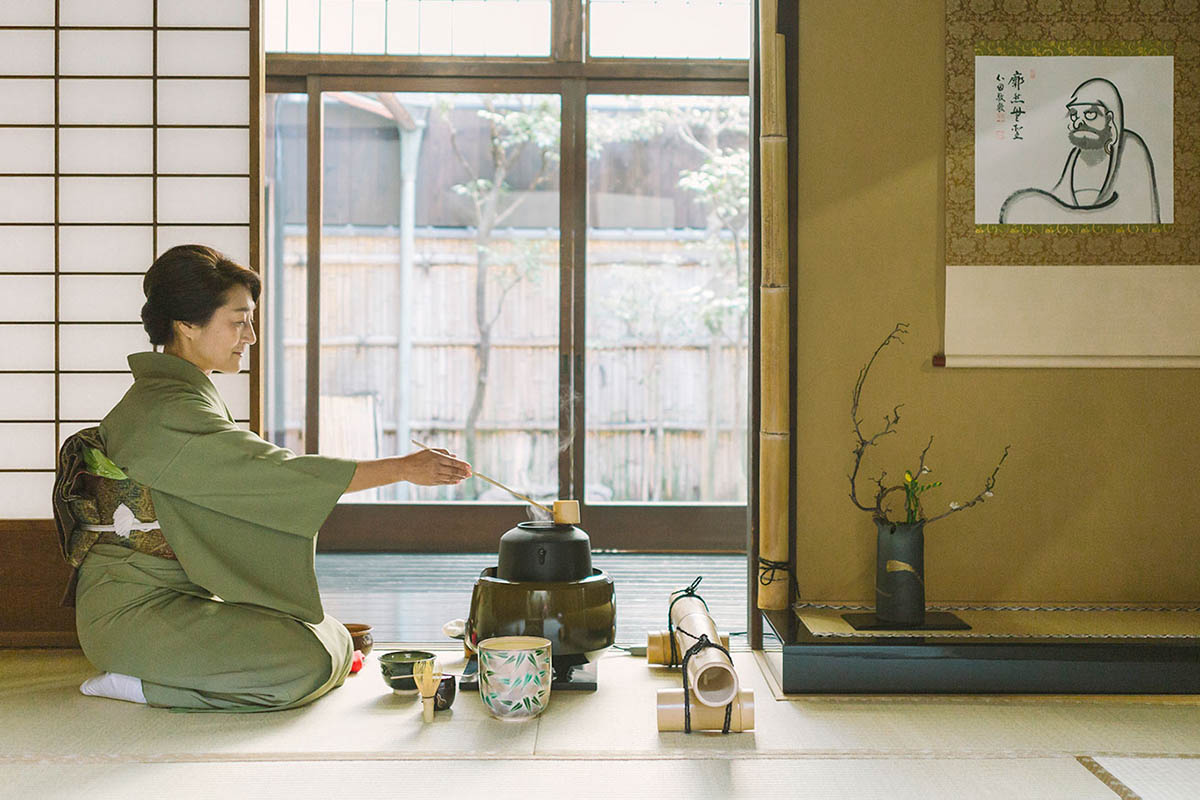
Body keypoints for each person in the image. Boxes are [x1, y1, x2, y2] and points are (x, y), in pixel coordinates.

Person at [54, 244, 471, 711]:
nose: (250, 336)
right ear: (186, 325)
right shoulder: (166, 410)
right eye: (238, 321)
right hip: (133, 614)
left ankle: (159, 674)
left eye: (251, 320)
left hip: (179, 598)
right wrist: (402, 469)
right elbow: (274, 476)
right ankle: (137, 684)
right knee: (306, 663)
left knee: (333, 639)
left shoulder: (176, 395)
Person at [999, 77, 1160, 224]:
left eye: (1090, 114)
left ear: (1110, 119)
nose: (1078, 122)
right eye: (1075, 115)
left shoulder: (1130, 147)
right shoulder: (1075, 156)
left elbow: (1141, 217)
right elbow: (1059, 204)